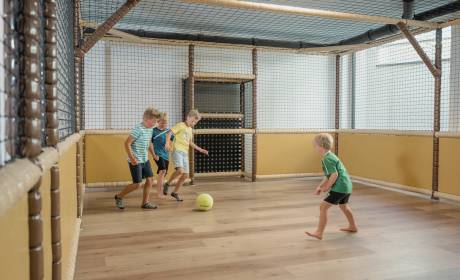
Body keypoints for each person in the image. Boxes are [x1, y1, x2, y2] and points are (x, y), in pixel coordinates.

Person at [305, 133, 358, 240]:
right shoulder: (331, 156)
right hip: (346, 186)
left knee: (323, 207)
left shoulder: (326, 159)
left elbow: (334, 175)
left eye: (315, 146)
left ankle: (319, 232)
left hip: (339, 187)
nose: (315, 148)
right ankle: (353, 226)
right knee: (344, 206)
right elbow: (328, 175)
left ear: (321, 146)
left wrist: (327, 187)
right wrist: (320, 186)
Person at [114, 107, 160, 210]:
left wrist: (153, 154)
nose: (155, 124)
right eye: (154, 121)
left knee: (150, 180)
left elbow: (149, 143)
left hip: (145, 159)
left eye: (156, 122)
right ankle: (119, 196)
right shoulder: (138, 129)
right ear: (146, 119)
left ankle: (145, 203)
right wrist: (132, 157)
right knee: (137, 184)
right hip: (135, 160)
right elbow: (127, 143)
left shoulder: (150, 129)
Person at [164, 109, 208, 201]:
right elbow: (169, 133)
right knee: (180, 171)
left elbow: (190, 142)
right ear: (188, 117)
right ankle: (168, 183)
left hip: (185, 153)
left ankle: (175, 192)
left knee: (185, 175)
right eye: (192, 121)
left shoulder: (190, 130)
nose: (193, 123)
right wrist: (167, 143)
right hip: (177, 151)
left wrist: (200, 149)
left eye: (195, 122)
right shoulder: (180, 125)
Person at [150, 112, 174, 199]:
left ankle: (158, 189)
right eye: (162, 122)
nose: (164, 124)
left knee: (163, 173)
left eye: (166, 122)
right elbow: (150, 143)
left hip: (166, 155)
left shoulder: (168, 131)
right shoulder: (153, 131)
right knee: (162, 171)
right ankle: (159, 193)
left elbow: (174, 140)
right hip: (158, 154)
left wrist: (171, 147)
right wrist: (153, 155)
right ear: (158, 121)